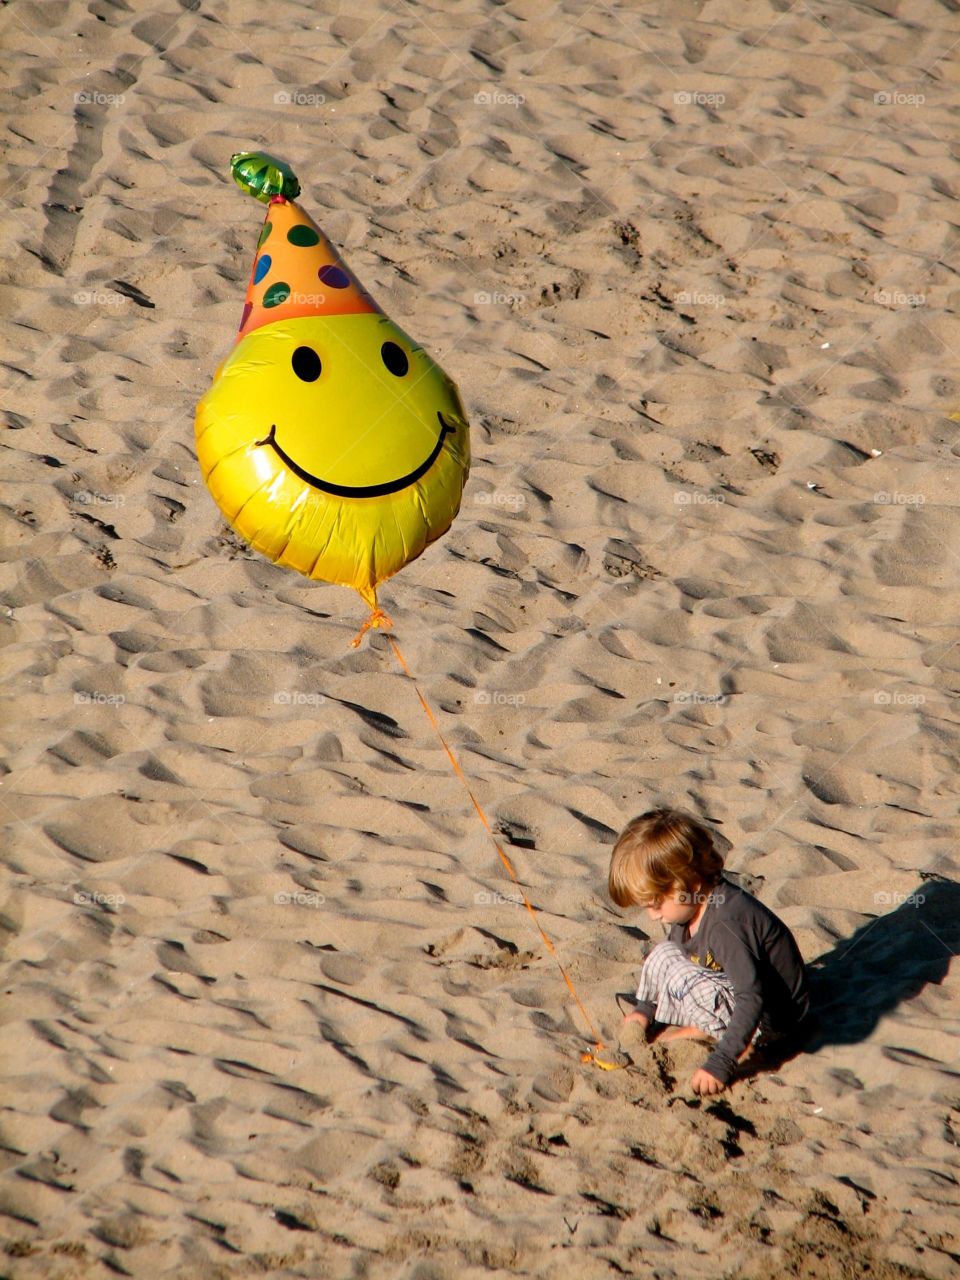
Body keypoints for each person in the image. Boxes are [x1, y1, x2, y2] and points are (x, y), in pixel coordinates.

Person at [608, 808, 811, 1095]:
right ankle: (654, 1011)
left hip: (773, 1018)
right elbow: (675, 955)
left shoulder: (725, 923)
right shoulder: (688, 908)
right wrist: (646, 1008)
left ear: (688, 884)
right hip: (734, 987)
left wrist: (722, 1061)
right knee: (662, 954)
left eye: (655, 904)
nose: (652, 915)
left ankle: (714, 1034)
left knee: (683, 978)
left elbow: (751, 997)